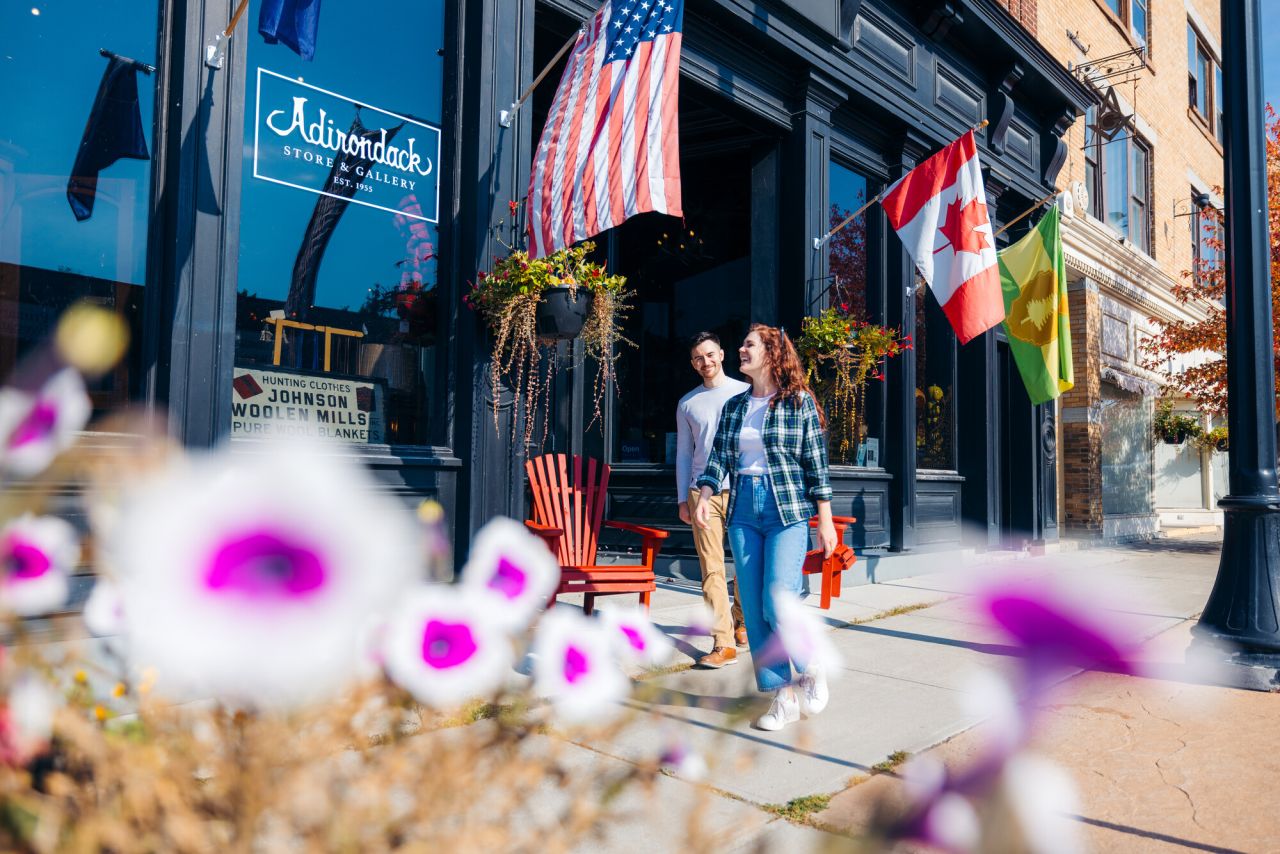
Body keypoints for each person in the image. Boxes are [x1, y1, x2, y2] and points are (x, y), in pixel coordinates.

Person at [694, 324, 837, 732]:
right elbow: (718, 458)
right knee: (754, 611)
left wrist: (825, 519)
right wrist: (704, 496)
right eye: (741, 344)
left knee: (778, 601)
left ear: (772, 354)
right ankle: (783, 697)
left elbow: (816, 464)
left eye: (749, 345)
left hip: (786, 508)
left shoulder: (799, 402)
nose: (740, 349)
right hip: (743, 512)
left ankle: (810, 666)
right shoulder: (735, 407)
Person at [676, 332, 751, 668]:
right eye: (697, 358)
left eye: (709, 355)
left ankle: (742, 620)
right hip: (700, 493)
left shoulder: (745, 391)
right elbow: (683, 454)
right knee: (711, 569)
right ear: (692, 364)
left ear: (721, 354)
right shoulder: (688, 403)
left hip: (742, 489)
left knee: (748, 565)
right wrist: (683, 499)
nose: (705, 362)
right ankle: (722, 642)